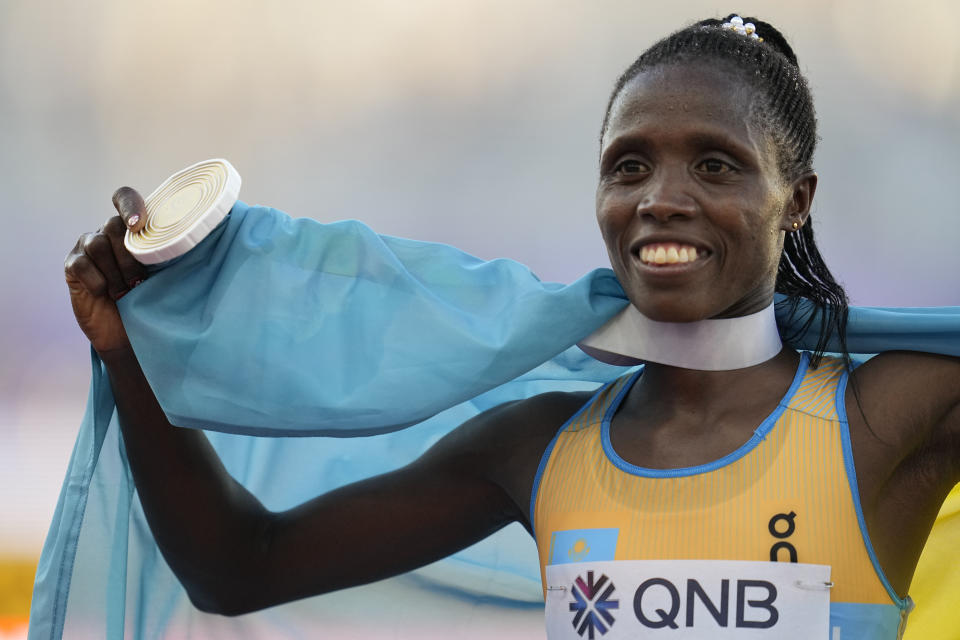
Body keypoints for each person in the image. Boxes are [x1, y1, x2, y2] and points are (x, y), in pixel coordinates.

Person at [63, 15, 958, 638]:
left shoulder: (885, 416)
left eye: (717, 165)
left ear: (794, 202)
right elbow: (240, 568)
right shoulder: (539, 449)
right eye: (629, 165)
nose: (661, 200)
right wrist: (128, 351)